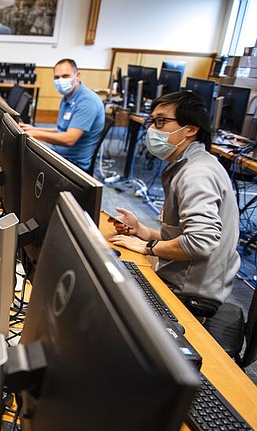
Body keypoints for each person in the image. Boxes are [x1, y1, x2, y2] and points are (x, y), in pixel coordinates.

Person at [109, 90, 239, 316]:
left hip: (188, 296)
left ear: (190, 129)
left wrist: (148, 247)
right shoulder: (191, 164)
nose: (151, 129)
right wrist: (144, 232)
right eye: (152, 122)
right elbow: (186, 234)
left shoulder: (196, 175)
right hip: (182, 281)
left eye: (161, 122)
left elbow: (200, 242)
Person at [20, 58, 105, 172]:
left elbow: (69, 139)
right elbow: (62, 130)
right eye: (57, 77)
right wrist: (34, 129)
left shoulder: (87, 101)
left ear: (77, 75)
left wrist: (35, 134)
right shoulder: (68, 97)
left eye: (65, 76)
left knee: (20, 167)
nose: (60, 81)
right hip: (59, 155)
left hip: (73, 166)